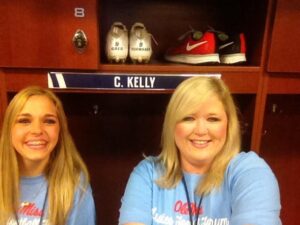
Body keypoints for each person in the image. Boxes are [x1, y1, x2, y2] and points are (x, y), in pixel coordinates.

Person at [119, 76, 281, 225]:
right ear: (172, 125)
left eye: (213, 119)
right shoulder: (147, 173)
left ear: (228, 125)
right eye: (188, 118)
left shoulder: (250, 172)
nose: (201, 130)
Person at [0, 86, 96, 225]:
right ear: (9, 129)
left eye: (49, 121)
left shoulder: (75, 184)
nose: (37, 130)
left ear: (60, 131)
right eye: (24, 121)